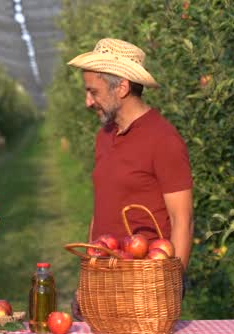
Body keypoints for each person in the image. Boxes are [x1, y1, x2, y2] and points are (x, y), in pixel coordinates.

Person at [67, 38, 194, 318]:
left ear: (121, 87)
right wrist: (88, 276)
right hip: (104, 276)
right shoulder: (104, 136)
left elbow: (182, 219)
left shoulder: (163, 140)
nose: (88, 102)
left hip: (142, 283)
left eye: (93, 92)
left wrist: (170, 288)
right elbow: (101, 208)